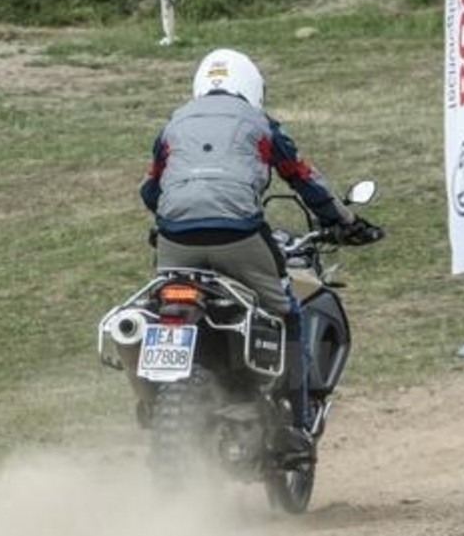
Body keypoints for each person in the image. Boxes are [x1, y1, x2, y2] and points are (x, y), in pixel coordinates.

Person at [138, 48, 382, 460]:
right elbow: (304, 179)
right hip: (238, 235)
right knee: (287, 311)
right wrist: (346, 221)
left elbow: (150, 190)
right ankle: (297, 425)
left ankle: (156, 395)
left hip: (175, 239)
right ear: (252, 87)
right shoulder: (260, 124)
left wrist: (182, 209)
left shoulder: (173, 124)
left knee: (157, 306)